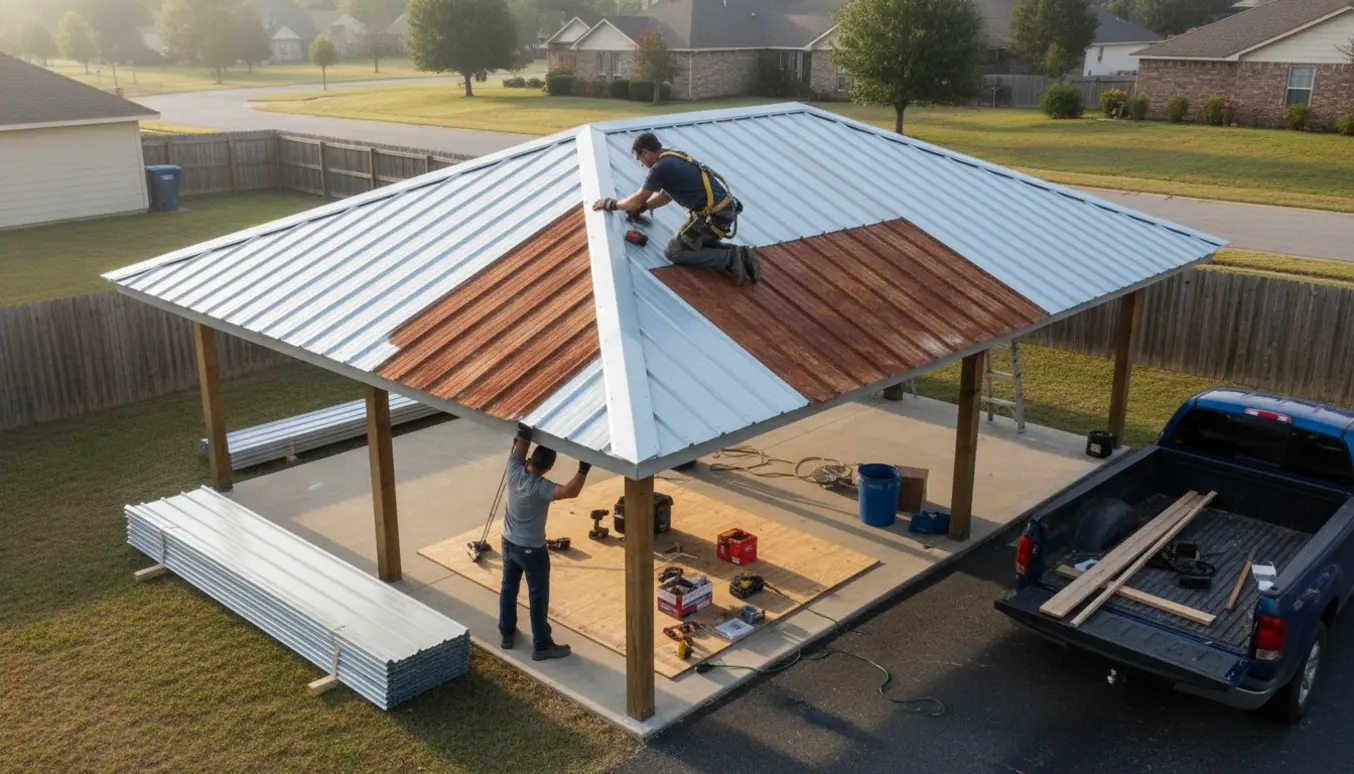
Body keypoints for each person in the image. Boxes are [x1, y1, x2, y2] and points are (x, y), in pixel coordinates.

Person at [592, 131, 761, 286]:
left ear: (645, 152)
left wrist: (611, 204)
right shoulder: (673, 156)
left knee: (674, 252)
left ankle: (730, 258)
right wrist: (645, 207)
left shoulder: (660, 167)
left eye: (639, 159)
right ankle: (740, 253)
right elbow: (666, 196)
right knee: (693, 242)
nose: (641, 164)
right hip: (721, 212)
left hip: (715, 217)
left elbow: (639, 198)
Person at [499, 423, 591, 661]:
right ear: (548, 468)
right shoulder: (540, 487)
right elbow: (570, 491)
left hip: (508, 541)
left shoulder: (513, 468)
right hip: (532, 549)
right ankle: (541, 646)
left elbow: (522, 441)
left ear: (530, 458)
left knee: (508, 587)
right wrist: (583, 469)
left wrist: (527, 429)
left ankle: (507, 633)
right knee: (537, 596)